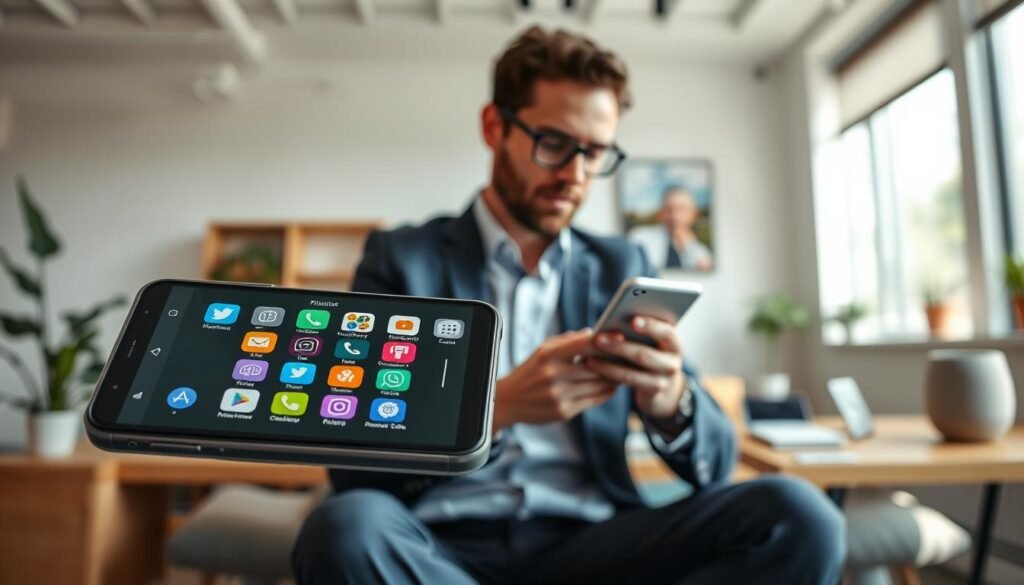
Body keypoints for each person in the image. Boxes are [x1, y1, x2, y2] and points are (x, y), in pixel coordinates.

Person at [292, 26, 844, 585]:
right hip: (438, 547)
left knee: (801, 517)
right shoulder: (403, 260)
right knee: (344, 528)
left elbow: (715, 465)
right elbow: (351, 460)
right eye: (554, 143)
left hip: (598, 545)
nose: (575, 175)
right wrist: (490, 410)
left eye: (596, 152)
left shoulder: (619, 265)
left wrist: (669, 400)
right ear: (495, 127)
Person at [629, 186, 714, 271]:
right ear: (661, 213)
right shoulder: (639, 238)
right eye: (669, 209)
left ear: (693, 214)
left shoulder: (703, 253)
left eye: (681, 209)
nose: (674, 216)